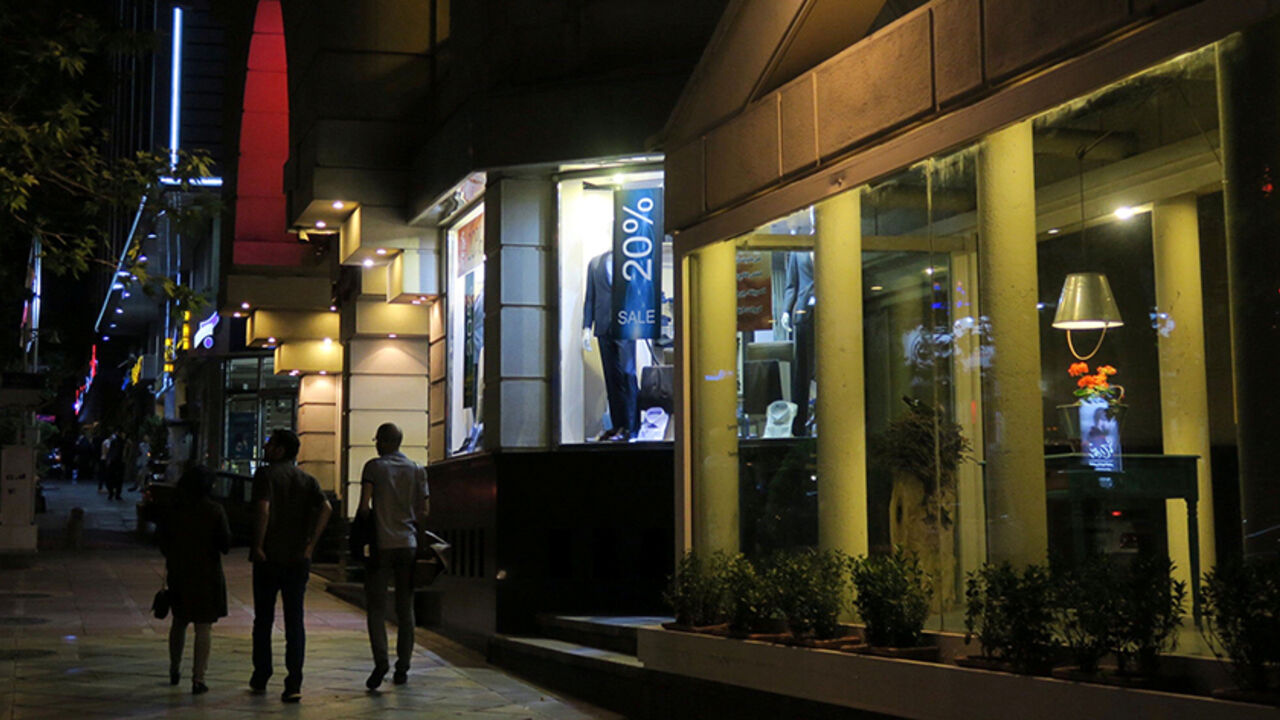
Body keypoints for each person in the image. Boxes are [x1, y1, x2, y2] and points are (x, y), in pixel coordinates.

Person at [249, 429, 332, 703]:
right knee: (294, 621)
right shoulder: (307, 479)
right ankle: (293, 681)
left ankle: (262, 674)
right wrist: (310, 546)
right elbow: (327, 508)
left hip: (269, 557)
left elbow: (263, 509)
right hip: (297, 559)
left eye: (271, 444)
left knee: (264, 618)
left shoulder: (265, 475)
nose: (266, 446)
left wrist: (258, 545)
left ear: (281, 450)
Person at [358, 423, 429, 689]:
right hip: (408, 544)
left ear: (386, 442)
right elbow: (424, 511)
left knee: (376, 608)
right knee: (405, 607)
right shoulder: (417, 469)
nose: (376, 444)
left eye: (378, 440)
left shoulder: (374, 467)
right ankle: (403, 667)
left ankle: (380, 662)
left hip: (381, 545)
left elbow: (364, 507)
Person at [158, 465, 230, 695]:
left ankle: (173, 668)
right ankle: (198, 678)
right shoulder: (214, 510)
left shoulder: (174, 510)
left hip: (179, 572)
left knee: (179, 622)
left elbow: (162, 541)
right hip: (207, 574)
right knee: (203, 626)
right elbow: (225, 544)